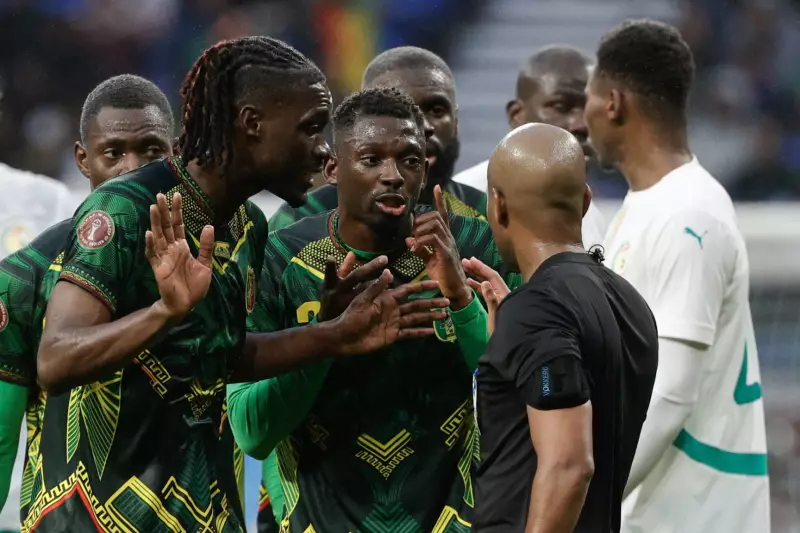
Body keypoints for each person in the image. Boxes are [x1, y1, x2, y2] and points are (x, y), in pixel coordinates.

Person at [29, 38, 444, 533]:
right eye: (311, 127)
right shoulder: (128, 209)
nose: (323, 149)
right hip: (97, 518)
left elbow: (225, 355)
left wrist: (333, 333)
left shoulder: (249, 226)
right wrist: (164, 312)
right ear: (252, 124)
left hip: (205, 514)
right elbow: (56, 360)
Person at [230, 87, 520, 532]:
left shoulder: (476, 246)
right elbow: (251, 433)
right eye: (371, 160)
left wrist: (461, 299)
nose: (393, 176)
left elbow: (519, 401)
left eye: (409, 160)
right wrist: (327, 337)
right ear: (332, 168)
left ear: (425, 169)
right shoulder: (278, 257)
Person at [584, 19, 769, 533]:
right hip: (657, 512)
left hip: (697, 516)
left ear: (614, 103)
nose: (583, 115)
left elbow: (670, 393)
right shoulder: (647, 206)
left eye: (589, 97)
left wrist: (586, 504)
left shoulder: (688, 215)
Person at [0, 74, 175, 531]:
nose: (132, 169)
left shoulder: (225, 254)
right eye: (113, 153)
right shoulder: (29, 270)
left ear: (175, 153)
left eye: (151, 152)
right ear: (83, 159)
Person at [473, 123, 658, 533]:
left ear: (498, 205)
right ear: (586, 201)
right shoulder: (630, 303)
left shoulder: (537, 310)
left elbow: (569, 466)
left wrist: (524, 324)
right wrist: (510, 342)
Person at [268, 46, 487, 231]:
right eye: (399, 111)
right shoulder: (298, 221)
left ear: (456, 122)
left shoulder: (487, 215)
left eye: (436, 110)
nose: (423, 127)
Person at [453, 45, 607, 248]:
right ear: (517, 115)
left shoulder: (594, 219)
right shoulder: (460, 201)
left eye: (588, 108)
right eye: (560, 106)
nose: (581, 125)